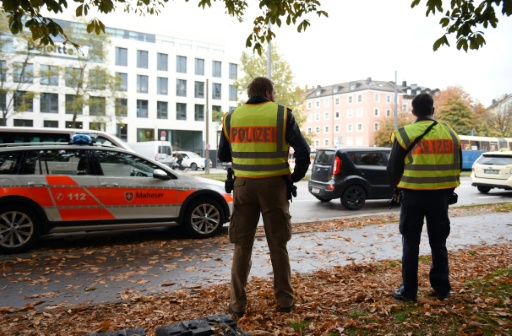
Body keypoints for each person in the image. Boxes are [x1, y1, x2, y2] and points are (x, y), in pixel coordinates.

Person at [218, 76, 311, 317]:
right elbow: (303, 151)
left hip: (243, 186)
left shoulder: (231, 117)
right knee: (277, 245)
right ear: (269, 92)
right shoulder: (282, 114)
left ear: (250, 93)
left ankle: (237, 304)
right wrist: (294, 177)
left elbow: (222, 154)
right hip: (274, 188)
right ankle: (285, 301)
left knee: (242, 246)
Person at [387, 93, 462, 302]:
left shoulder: (404, 134)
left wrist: (395, 188)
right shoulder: (450, 133)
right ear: (433, 110)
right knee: (439, 243)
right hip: (440, 197)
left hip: (412, 196)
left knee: (410, 243)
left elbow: (393, 168)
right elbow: (457, 163)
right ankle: (442, 289)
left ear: (413, 112)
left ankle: (409, 291)